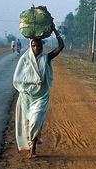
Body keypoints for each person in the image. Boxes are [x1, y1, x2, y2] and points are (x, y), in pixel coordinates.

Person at [13, 22, 64, 158]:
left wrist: (54, 29)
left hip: (41, 97)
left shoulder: (46, 58)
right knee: (28, 124)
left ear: (42, 46)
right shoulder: (24, 60)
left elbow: (61, 46)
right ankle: (31, 143)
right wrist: (32, 83)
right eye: (34, 45)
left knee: (35, 121)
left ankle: (33, 148)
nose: (36, 48)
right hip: (27, 98)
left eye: (39, 45)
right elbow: (17, 79)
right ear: (31, 46)